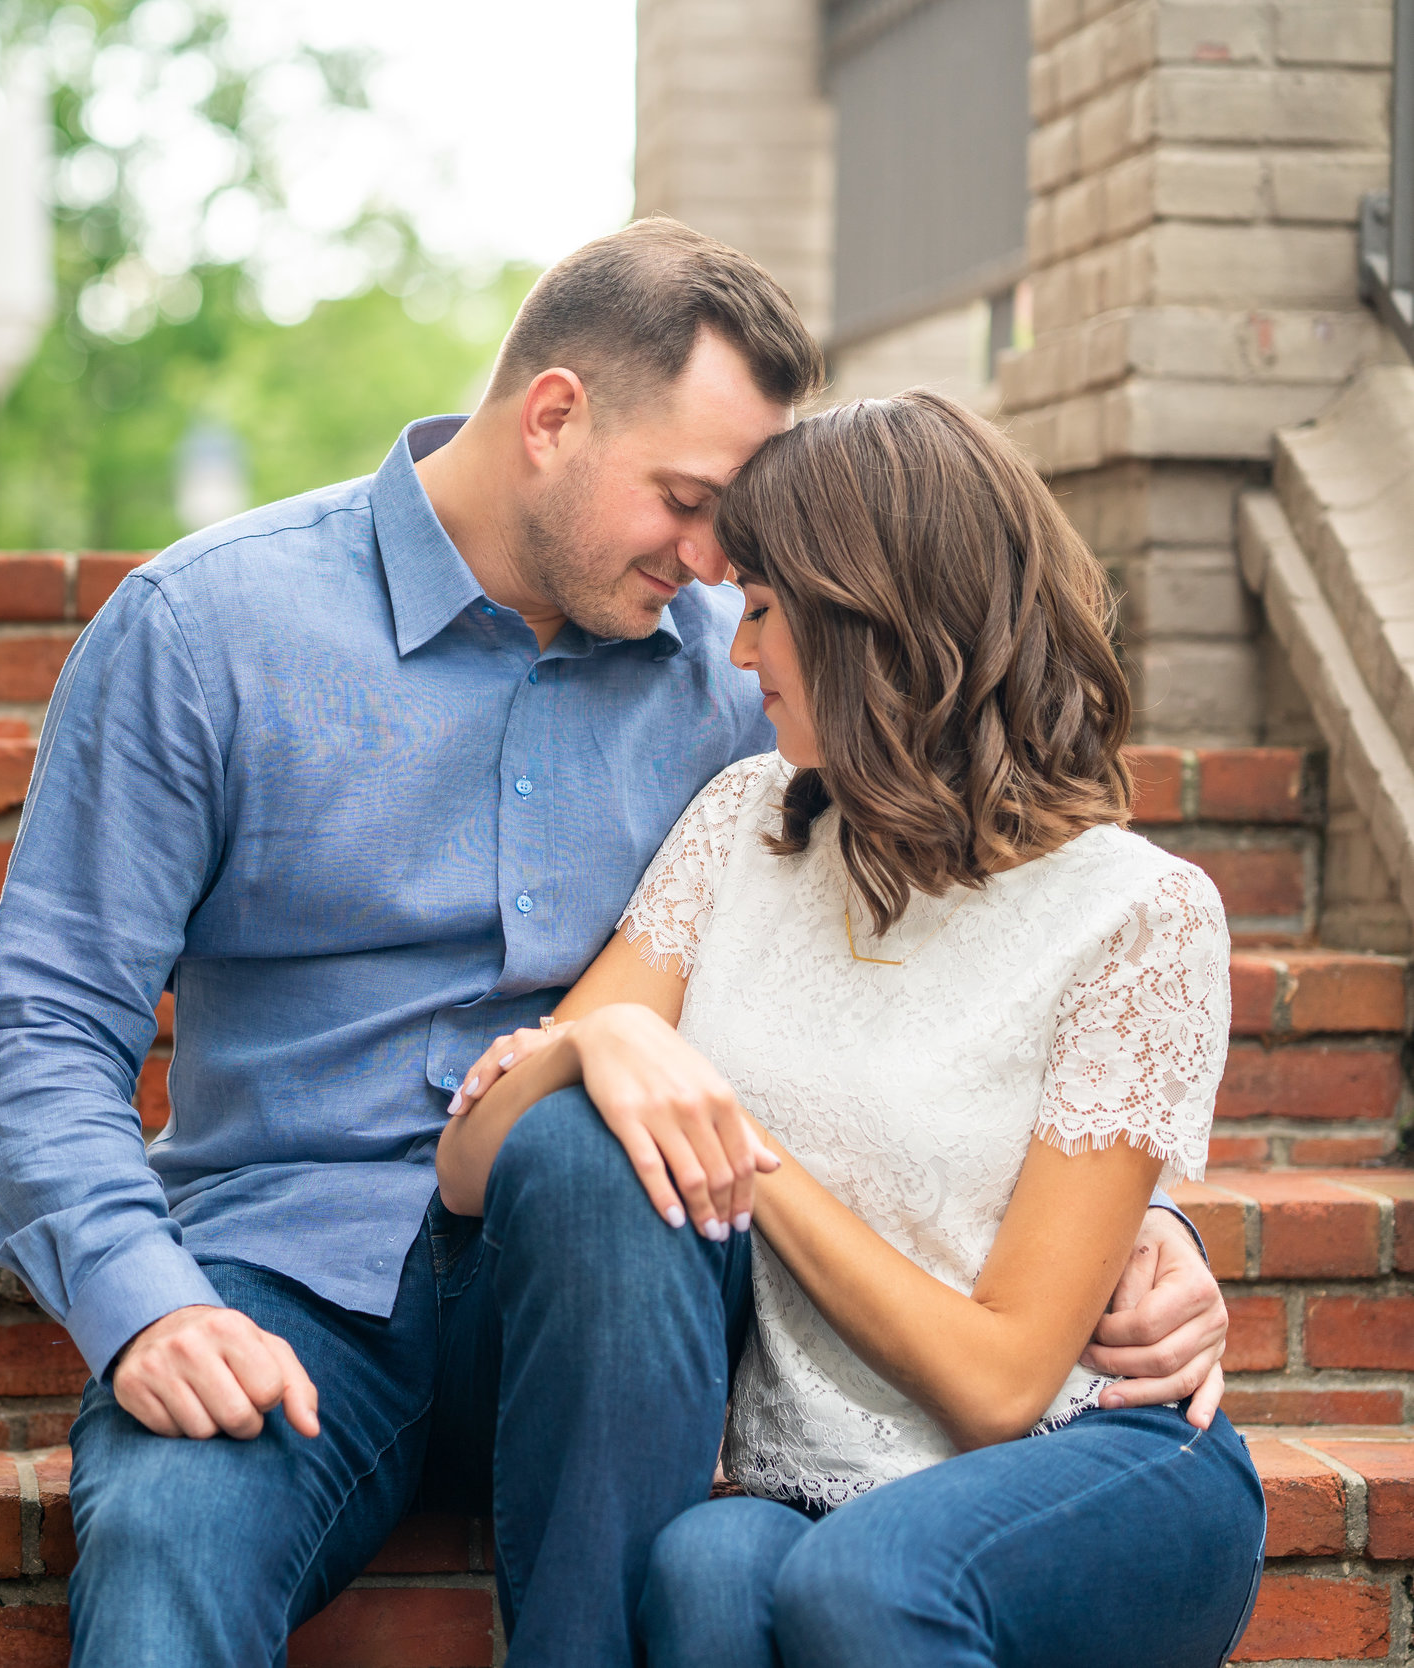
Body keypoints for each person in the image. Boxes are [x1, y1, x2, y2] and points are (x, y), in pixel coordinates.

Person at [0, 220, 1234, 1667]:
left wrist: (1144, 1226)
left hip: (628, 1293)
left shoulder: (754, 675)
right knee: (166, 1541)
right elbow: (46, 1034)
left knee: (590, 1158)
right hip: (289, 1278)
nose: (711, 572)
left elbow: (988, 944)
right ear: (556, 419)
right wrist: (144, 1311)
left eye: (739, 540)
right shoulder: (206, 630)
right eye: (689, 501)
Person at [442, 390, 1265, 1666]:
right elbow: (476, 1161)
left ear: (875, 626)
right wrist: (594, 1044)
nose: (734, 655)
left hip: (1088, 1457)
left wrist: (734, 1139)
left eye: (763, 612)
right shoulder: (744, 824)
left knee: (867, 1584)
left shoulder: (1140, 916)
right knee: (703, 1567)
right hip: (805, 1482)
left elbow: (1001, 1387)